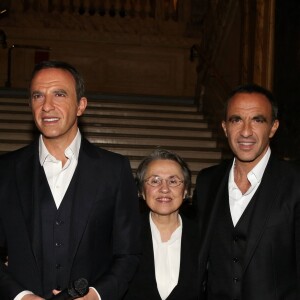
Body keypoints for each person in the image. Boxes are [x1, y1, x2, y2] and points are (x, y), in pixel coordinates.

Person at [0, 61, 141, 300]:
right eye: (38, 96)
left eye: (59, 94)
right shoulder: (4, 170)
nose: (46, 106)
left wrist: (96, 295)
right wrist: (20, 296)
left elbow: (128, 253)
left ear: (80, 105)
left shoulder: (114, 169)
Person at [194, 83, 300, 300]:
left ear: (273, 127)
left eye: (257, 120)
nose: (245, 131)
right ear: (225, 127)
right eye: (236, 119)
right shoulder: (207, 181)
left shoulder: (295, 182)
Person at [123, 149, 199, 300]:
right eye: (155, 181)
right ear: (142, 191)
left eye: (173, 181)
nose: (164, 189)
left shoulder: (203, 236)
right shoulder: (123, 233)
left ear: (185, 191)